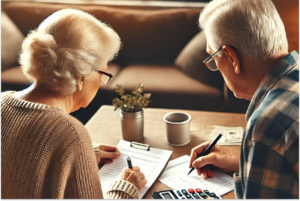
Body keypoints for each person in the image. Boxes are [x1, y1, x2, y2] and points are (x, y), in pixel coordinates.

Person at [0, 8, 147, 199]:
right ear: (81, 76)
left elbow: (16, 167)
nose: (102, 83)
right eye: (103, 74)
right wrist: (126, 188)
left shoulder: (2, 100)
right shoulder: (69, 134)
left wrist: (81, 159)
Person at [189, 0, 299, 199]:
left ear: (232, 59)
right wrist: (242, 161)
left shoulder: (267, 128)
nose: (215, 66)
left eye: (213, 58)